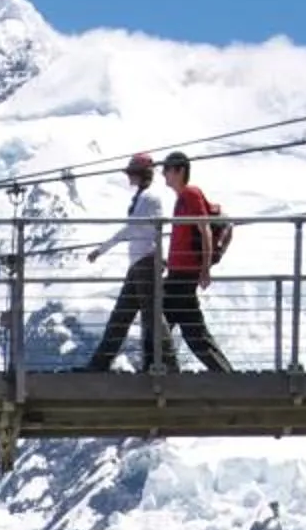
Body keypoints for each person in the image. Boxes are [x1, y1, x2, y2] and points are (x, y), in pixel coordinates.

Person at [84, 152, 176, 370]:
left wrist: (101, 249)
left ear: (141, 174)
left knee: (147, 317)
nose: (129, 177)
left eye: (132, 173)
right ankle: (99, 365)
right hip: (140, 264)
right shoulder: (143, 198)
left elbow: (135, 229)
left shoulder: (148, 198)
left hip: (145, 263)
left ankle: (169, 365)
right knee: (125, 316)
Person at [159, 150, 233, 371]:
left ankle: (160, 372)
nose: (163, 174)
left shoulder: (191, 194)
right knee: (192, 331)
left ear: (180, 170)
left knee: (160, 319)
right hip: (179, 271)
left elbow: (205, 230)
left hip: (184, 273)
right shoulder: (181, 199)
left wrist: (205, 270)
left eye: (167, 170)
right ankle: (226, 375)